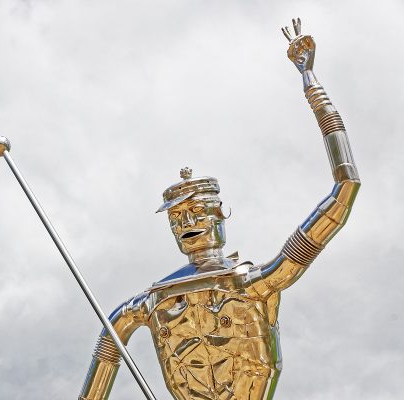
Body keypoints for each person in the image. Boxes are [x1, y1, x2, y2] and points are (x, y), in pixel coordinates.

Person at [78, 18, 360, 400]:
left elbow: (344, 189)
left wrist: (310, 82)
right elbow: (108, 347)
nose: (188, 224)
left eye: (197, 212)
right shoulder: (151, 301)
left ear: (221, 214)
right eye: (178, 218)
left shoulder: (253, 281)